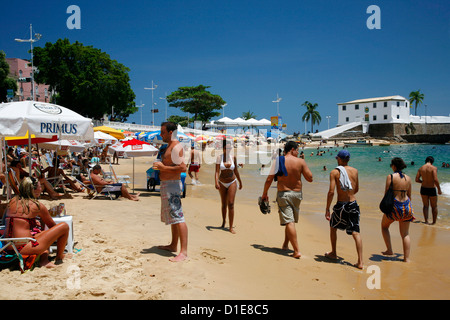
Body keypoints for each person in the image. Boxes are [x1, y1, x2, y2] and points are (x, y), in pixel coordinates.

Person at [261, 141, 313, 259]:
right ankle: (285, 245)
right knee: (291, 220)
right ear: (292, 149)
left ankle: (296, 251)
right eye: (297, 150)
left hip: (284, 193)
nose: (298, 152)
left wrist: (265, 193)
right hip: (297, 195)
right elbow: (310, 178)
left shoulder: (278, 161)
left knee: (289, 221)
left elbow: (269, 179)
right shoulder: (300, 161)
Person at [4, 177, 70, 268]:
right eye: (40, 186)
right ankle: (59, 257)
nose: (41, 188)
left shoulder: (12, 202)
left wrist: (33, 222)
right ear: (34, 190)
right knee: (64, 227)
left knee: (42, 233)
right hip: (23, 247)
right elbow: (52, 226)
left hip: (7, 245)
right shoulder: (36, 205)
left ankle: (44, 260)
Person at [153, 122, 188, 262]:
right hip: (166, 185)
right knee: (173, 217)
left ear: (171, 132)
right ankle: (174, 245)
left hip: (172, 186)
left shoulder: (176, 147)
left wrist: (163, 167)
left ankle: (184, 252)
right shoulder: (168, 147)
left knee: (178, 217)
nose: (161, 135)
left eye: (163, 132)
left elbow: (182, 168)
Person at [325, 150, 363, 269]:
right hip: (353, 203)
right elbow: (356, 189)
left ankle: (334, 253)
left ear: (340, 159)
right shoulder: (355, 171)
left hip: (341, 204)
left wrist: (327, 208)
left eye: (337, 159)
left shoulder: (335, 172)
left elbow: (331, 192)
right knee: (355, 232)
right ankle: (360, 262)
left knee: (333, 227)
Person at [381, 157, 414, 262]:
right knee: (405, 234)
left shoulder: (390, 177)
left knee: (384, 227)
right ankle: (406, 258)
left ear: (394, 166)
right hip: (407, 206)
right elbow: (410, 195)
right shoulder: (408, 178)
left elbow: (386, 193)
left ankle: (389, 250)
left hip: (395, 206)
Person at [215, 139, 243, 234]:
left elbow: (236, 171)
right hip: (222, 182)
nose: (228, 149)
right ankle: (223, 221)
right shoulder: (219, 158)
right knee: (224, 204)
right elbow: (217, 171)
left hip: (232, 182)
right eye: (226, 148)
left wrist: (240, 181)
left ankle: (230, 227)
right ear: (223, 148)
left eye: (230, 148)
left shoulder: (233, 158)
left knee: (231, 203)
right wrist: (216, 182)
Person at [415, 156, 442, 225]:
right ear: (432, 162)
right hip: (432, 189)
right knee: (434, 206)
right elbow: (435, 179)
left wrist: (423, 182)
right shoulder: (433, 168)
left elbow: (417, 179)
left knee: (425, 206)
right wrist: (439, 189)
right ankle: (433, 222)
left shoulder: (421, 168)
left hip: (423, 188)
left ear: (426, 160)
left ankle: (426, 221)